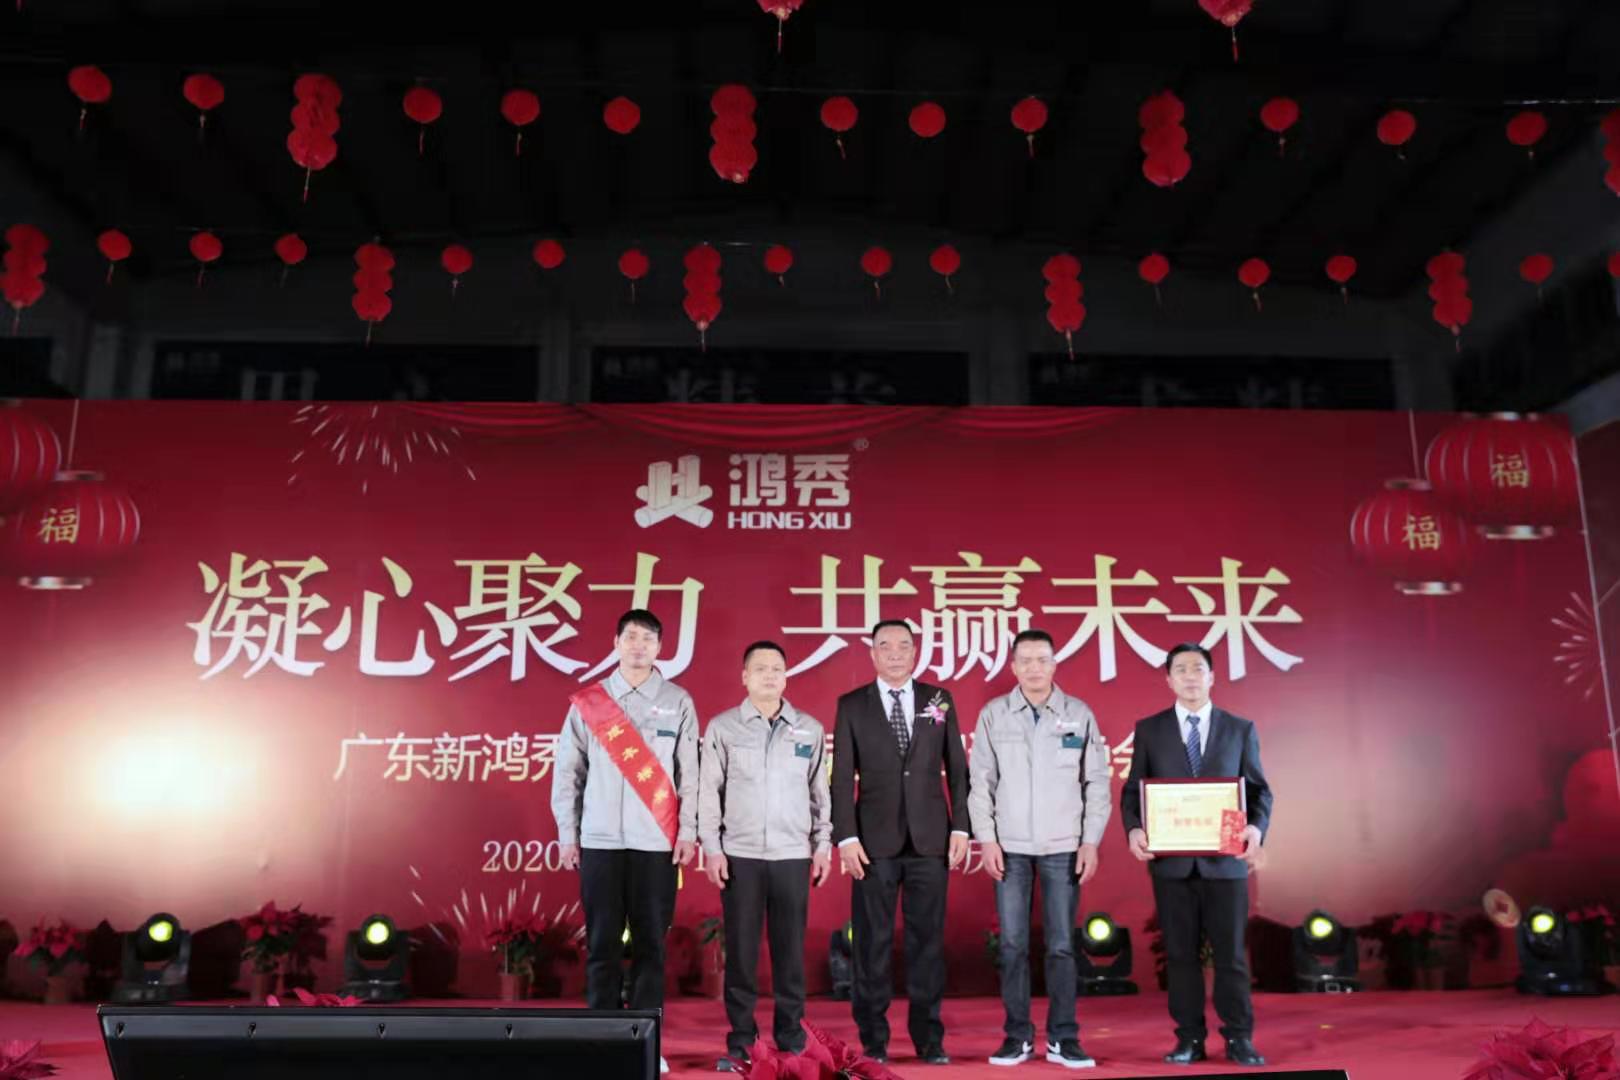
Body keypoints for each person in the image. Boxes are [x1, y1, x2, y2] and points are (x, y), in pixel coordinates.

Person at [551, 609, 699, 1076]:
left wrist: (688, 831)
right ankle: (601, 1040)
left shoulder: (678, 701)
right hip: (599, 841)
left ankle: (646, 1041)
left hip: (656, 843)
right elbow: (567, 772)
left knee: (652, 946)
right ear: (615, 643)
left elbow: (690, 776)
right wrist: (568, 833)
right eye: (631, 637)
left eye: (648, 639)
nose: (639, 646)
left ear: (660, 648)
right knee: (602, 945)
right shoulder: (590, 702)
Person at [1119, 643, 1273, 1068]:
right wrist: (1134, 829)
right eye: (1181, 669)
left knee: (1231, 956)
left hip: (1225, 862)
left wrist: (1256, 829)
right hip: (1172, 865)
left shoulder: (1239, 729)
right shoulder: (1150, 730)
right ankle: (1189, 1038)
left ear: (1212, 677)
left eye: (1198, 668)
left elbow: (1259, 791)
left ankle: (1239, 1038)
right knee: (1181, 956)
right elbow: (1133, 791)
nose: (1190, 676)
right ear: (1168, 679)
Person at [967, 629, 1112, 1069]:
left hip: (1063, 846)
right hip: (1010, 847)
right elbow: (980, 783)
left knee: (1062, 945)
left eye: (1042, 659)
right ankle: (1017, 1036)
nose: (1034, 668)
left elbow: (1096, 783)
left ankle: (1064, 1038)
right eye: (1025, 660)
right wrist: (987, 839)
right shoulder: (994, 715)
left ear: (1054, 664)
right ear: (1013, 667)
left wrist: (1090, 841)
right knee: (1012, 945)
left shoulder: (1078, 714)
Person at [831, 620, 970, 1066]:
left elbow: (958, 769)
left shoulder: (938, 699)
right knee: (871, 944)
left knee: (927, 943)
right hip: (873, 844)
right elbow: (841, 778)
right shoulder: (852, 705)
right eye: (885, 646)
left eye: (903, 645)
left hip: (930, 839)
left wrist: (961, 827)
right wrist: (846, 835)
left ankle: (929, 1038)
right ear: (872, 653)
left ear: (915, 652)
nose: (895, 653)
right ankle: (873, 1040)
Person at [698, 640, 833, 1071]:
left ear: (786, 676)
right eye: (760, 668)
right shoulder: (723, 728)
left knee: (790, 953)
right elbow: (708, 794)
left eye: (777, 668)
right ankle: (742, 1040)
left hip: (792, 854)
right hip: (740, 855)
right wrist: (712, 849)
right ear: (744, 677)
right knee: (741, 953)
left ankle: (791, 1037)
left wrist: (822, 845)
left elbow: (820, 795)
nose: (769, 675)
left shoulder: (809, 729)